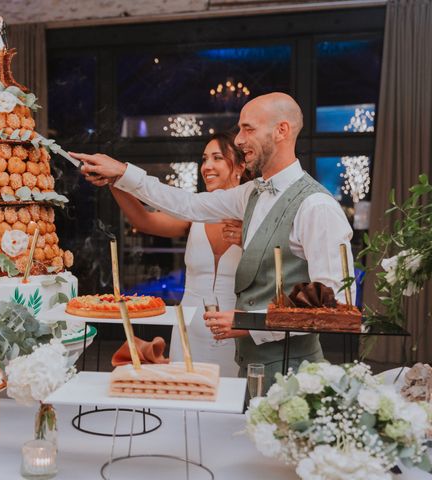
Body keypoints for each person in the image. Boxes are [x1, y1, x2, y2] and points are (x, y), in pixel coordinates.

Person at [72, 92, 355, 389]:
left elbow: (334, 301)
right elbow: (188, 205)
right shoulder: (251, 195)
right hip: (249, 366)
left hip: (295, 377)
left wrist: (249, 322)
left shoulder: (316, 206)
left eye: (249, 129)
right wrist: (123, 173)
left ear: (281, 131)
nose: (240, 140)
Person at [110, 132, 249, 375]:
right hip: (190, 330)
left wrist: (247, 238)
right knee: (185, 397)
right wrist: (115, 181)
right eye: (204, 159)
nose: (207, 166)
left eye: (217, 158)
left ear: (240, 166)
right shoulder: (194, 213)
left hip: (237, 330)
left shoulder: (256, 215)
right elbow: (143, 220)